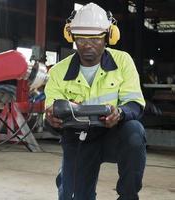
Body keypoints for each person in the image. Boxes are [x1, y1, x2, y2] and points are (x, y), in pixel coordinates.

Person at [44, 2, 146, 200]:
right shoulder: (57, 72)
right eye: (81, 39)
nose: (87, 44)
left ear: (109, 37)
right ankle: (69, 177)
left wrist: (120, 113)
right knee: (73, 196)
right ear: (71, 36)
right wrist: (51, 118)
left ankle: (128, 196)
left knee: (134, 131)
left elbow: (135, 103)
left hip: (113, 135)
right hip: (77, 139)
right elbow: (50, 110)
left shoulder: (123, 62)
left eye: (95, 38)